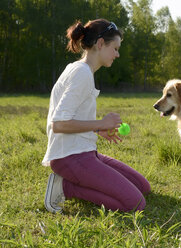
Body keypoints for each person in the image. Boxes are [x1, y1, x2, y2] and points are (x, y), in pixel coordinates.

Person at [42, 19, 151, 213]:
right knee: (136, 204)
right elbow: (58, 124)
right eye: (115, 48)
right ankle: (65, 188)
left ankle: (77, 182)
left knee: (143, 187)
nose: (117, 54)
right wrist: (100, 122)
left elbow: (70, 117)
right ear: (100, 43)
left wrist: (98, 128)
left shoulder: (80, 70)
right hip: (70, 157)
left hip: (85, 152)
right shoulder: (81, 73)